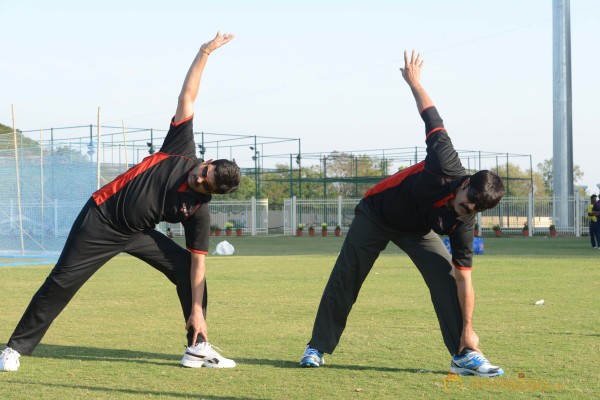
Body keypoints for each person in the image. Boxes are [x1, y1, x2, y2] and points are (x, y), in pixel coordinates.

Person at [0, 32, 241, 372]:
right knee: (62, 282)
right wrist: (204, 52)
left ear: (212, 192)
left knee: (187, 271)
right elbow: (188, 96)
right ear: (208, 160)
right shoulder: (181, 149)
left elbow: (199, 265)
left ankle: (197, 347)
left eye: (207, 183)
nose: (200, 178)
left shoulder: (198, 211)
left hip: (136, 233)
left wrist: (197, 310)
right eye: (205, 171)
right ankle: (14, 349)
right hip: (99, 219)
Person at [299, 51, 505, 377]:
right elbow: (432, 116)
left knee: (447, 279)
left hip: (416, 230)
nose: (468, 208)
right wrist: (415, 82)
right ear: (465, 183)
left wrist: (468, 327)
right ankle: (317, 347)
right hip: (376, 213)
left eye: (476, 209)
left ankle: (463, 353)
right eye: (469, 200)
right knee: (347, 276)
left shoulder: (465, 220)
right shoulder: (445, 161)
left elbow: (465, 276)